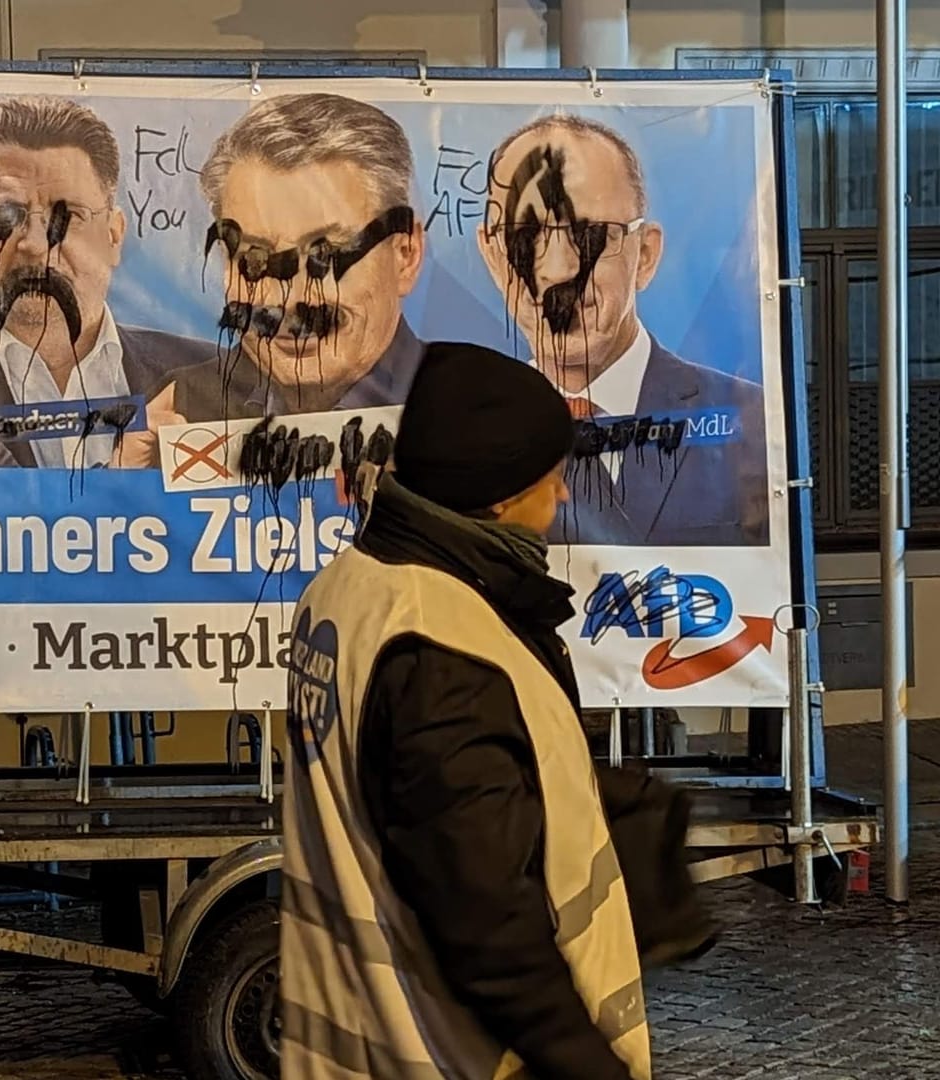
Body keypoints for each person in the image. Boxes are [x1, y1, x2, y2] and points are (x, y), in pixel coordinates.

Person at [280, 341, 649, 1080]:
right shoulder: (442, 646)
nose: (565, 497)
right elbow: (483, 918)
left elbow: (445, 806)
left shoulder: (350, 589)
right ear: (501, 495)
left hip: (364, 1036)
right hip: (452, 1055)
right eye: (554, 478)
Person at [479, 113, 768, 547]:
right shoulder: (462, 444)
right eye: (526, 236)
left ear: (646, 255)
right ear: (494, 257)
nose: (558, 271)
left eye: (592, 236)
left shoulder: (750, 420)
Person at [0, 95, 207, 468]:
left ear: (113, 237)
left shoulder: (213, 380)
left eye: (68, 216)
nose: (36, 244)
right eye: (6, 216)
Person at [149, 93, 427, 429]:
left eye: (324, 256)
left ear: (405, 256)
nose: (286, 299)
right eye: (253, 259)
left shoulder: (479, 411)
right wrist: (128, 479)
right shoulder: (181, 406)